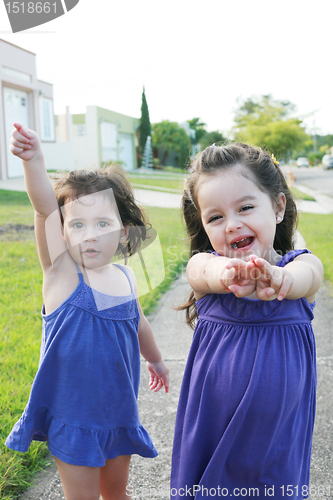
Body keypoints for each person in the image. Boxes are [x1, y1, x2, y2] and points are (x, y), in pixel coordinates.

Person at [5, 123, 169, 500]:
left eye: (102, 224)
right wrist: (34, 160)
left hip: (118, 412)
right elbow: (45, 208)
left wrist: (156, 360)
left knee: (116, 492)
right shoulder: (61, 274)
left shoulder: (127, 278)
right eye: (76, 224)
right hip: (73, 418)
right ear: (61, 233)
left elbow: (139, 324)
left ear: (125, 232)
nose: (89, 235)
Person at [170, 143, 323, 499]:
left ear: (278, 206)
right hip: (213, 430)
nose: (232, 223)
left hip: (276, 443)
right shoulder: (205, 268)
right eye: (216, 217)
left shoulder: (302, 267)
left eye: (246, 207)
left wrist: (281, 279)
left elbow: (307, 276)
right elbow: (202, 270)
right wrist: (227, 273)